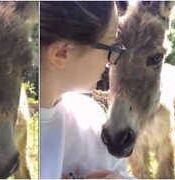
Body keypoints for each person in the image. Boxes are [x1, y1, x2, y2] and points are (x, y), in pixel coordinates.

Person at [40, 1, 132, 179]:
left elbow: (121, 173)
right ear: (61, 53)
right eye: (111, 46)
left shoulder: (91, 117)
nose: (111, 61)